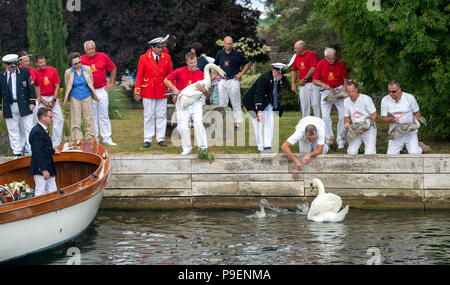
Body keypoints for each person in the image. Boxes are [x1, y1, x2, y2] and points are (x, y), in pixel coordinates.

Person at [164, 52, 209, 155]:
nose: (193, 65)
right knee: (182, 126)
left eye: (195, 62)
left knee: (198, 122)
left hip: (196, 102)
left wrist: (203, 90)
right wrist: (175, 89)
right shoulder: (180, 71)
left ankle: (203, 148)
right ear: (187, 62)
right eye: (191, 63)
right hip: (182, 102)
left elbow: (207, 94)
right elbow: (166, 80)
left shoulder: (201, 74)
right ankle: (187, 148)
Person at [134, 37, 173, 148]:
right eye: (159, 47)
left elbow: (170, 75)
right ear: (152, 47)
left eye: (162, 47)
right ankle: (148, 138)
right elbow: (139, 75)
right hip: (148, 90)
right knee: (149, 115)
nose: (161, 49)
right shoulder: (143, 58)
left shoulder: (167, 57)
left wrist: (173, 90)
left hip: (162, 91)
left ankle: (160, 138)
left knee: (161, 115)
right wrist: (137, 91)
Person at [243, 63, 286, 154]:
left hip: (266, 102)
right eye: (279, 73)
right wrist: (259, 112)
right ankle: (260, 147)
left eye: (282, 73)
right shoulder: (264, 78)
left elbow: (273, 93)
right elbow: (258, 95)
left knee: (269, 122)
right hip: (252, 102)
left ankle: (267, 146)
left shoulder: (279, 79)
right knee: (258, 124)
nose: (280, 75)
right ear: (273, 70)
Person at [81, 40, 117, 145]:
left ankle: (106, 137)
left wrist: (111, 83)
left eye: (93, 48)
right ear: (85, 50)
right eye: (89, 49)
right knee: (92, 115)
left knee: (104, 114)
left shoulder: (103, 56)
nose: (91, 51)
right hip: (89, 91)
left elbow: (113, 68)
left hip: (102, 90)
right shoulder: (81, 60)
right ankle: (94, 138)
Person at [0, 54, 36, 156]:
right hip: (9, 105)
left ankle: (30, 152)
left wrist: (32, 101)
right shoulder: (2, 76)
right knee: (13, 129)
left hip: (24, 104)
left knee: (28, 128)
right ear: (6, 65)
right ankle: (17, 152)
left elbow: (31, 87)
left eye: (15, 65)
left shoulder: (24, 72)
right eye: (11, 66)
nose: (14, 68)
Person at [381, 80, 430, 154]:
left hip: (410, 132)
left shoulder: (409, 98)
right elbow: (383, 118)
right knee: (391, 156)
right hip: (396, 133)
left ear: (399, 90)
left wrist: (413, 126)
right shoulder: (385, 100)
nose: (391, 94)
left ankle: (420, 149)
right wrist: (392, 120)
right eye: (389, 91)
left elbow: (417, 113)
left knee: (414, 153)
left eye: (393, 91)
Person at [312, 47, 348, 149]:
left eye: (333, 58)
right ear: (325, 57)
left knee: (342, 116)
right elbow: (315, 80)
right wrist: (322, 84)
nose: (332, 61)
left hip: (339, 90)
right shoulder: (320, 64)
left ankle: (340, 139)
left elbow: (345, 78)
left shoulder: (340, 63)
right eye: (330, 59)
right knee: (325, 116)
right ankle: (329, 138)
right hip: (326, 91)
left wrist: (345, 89)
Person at [214, 36, 251, 128]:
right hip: (222, 80)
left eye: (230, 43)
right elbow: (215, 65)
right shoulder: (220, 53)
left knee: (236, 102)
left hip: (233, 80)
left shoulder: (237, 54)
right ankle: (224, 122)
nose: (228, 45)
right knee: (223, 102)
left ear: (232, 44)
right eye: (227, 43)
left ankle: (238, 122)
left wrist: (241, 74)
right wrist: (216, 75)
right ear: (224, 44)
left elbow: (247, 63)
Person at [64, 52, 99, 141]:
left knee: (89, 118)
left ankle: (91, 138)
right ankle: (76, 139)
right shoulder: (68, 72)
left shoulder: (87, 69)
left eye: (79, 62)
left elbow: (91, 82)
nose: (78, 65)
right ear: (71, 64)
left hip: (87, 96)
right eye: (75, 64)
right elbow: (68, 85)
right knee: (76, 120)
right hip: (75, 97)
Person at [34, 53, 64, 148]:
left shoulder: (52, 70)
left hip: (52, 97)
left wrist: (53, 100)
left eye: (44, 61)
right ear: (36, 64)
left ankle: (56, 144)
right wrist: (45, 102)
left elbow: (57, 86)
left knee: (59, 119)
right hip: (41, 98)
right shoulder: (35, 73)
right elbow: (35, 89)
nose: (43, 64)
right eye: (40, 62)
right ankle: (43, 143)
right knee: (41, 120)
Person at [29, 107, 60, 196]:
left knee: (52, 191)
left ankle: (54, 209)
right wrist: (43, 169)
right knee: (41, 192)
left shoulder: (41, 130)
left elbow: (44, 147)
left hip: (48, 167)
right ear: (43, 117)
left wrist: (52, 151)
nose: (51, 119)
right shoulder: (37, 131)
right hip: (41, 169)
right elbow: (37, 152)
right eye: (50, 117)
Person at [343, 81, 377, 154]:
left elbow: (374, 115)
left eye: (353, 91)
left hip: (369, 128)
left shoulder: (366, 99)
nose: (351, 94)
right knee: (351, 152)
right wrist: (346, 123)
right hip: (356, 128)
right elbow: (346, 117)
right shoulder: (346, 101)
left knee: (369, 153)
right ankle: (356, 164)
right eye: (349, 92)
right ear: (346, 92)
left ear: (356, 89)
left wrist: (365, 128)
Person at [291, 41, 320, 118]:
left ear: (301, 48)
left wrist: (304, 79)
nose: (294, 50)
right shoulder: (296, 56)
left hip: (313, 83)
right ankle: (305, 124)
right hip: (303, 85)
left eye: (296, 48)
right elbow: (294, 71)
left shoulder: (312, 54)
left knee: (315, 104)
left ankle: (319, 124)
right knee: (304, 105)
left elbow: (313, 68)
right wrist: (293, 83)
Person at [18, 51, 38, 151]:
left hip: (31, 101)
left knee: (30, 125)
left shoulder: (31, 70)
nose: (28, 63)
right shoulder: (16, 71)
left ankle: (30, 148)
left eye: (29, 61)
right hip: (20, 103)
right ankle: (22, 148)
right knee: (20, 127)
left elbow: (34, 86)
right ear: (20, 61)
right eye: (25, 61)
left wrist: (34, 100)